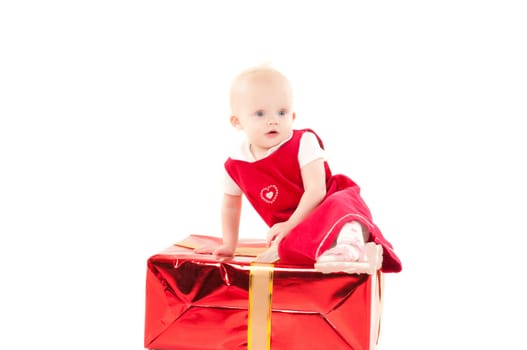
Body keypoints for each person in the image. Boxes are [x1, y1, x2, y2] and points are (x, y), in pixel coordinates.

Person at [195, 65, 402, 274]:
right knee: (289, 248)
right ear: (237, 122)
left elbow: (317, 190)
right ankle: (328, 252)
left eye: (282, 112)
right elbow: (231, 206)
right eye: (260, 113)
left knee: (342, 204)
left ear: (292, 116)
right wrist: (229, 245)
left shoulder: (303, 141)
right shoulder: (235, 165)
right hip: (296, 227)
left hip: (324, 205)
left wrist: (290, 223)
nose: (273, 119)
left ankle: (351, 244)